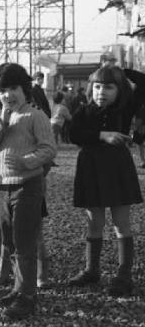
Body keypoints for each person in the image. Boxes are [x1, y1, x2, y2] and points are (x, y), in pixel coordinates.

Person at [0, 63, 56, 320]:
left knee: (25, 242)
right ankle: (18, 287)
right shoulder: (0, 118)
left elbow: (48, 149)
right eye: (2, 90)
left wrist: (28, 161)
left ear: (25, 89)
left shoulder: (36, 116)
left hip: (27, 186)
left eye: (13, 88)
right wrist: (2, 121)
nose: (7, 95)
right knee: (10, 240)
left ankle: (27, 295)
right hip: (2, 188)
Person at [68, 66, 142, 297]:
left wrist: (121, 69)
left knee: (121, 222)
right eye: (98, 86)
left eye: (109, 87)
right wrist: (102, 136)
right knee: (94, 222)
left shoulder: (126, 108)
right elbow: (74, 135)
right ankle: (92, 270)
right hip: (91, 167)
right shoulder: (83, 110)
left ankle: (124, 274)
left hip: (118, 167)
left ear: (120, 90)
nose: (102, 91)